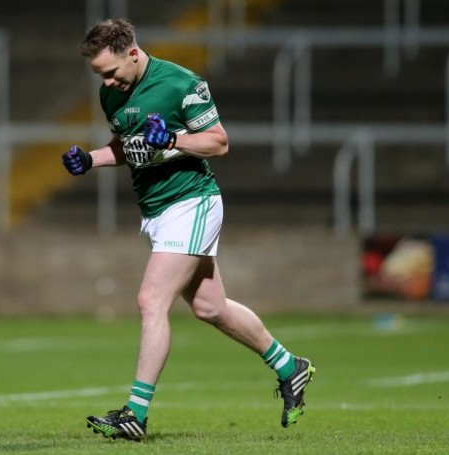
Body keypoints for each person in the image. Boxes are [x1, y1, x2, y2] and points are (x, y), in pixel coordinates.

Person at [62, 18, 315, 441]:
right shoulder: (113, 94)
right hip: (157, 211)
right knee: (210, 308)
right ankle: (291, 367)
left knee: (151, 300)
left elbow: (218, 142)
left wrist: (175, 139)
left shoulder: (181, 83)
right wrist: (91, 160)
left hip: (193, 202)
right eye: (99, 76)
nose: (106, 82)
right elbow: (129, 146)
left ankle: (135, 414)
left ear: (133, 53)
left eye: (111, 72)